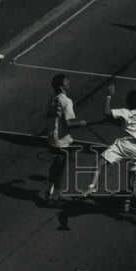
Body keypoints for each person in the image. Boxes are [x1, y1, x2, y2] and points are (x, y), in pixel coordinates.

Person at [83, 81, 136, 212]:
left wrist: (109, 96)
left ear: (128, 102)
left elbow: (107, 112)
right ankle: (127, 202)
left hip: (124, 145)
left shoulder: (124, 111)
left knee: (101, 161)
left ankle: (92, 185)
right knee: (132, 175)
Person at [44, 74, 87, 203]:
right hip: (61, 140)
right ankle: (55, 194)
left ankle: (49, 189)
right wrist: (81, 123)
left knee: (57, 163)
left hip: (52, 136)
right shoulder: (67, 102)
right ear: (61, 86)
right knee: (61, 166)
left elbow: (48, 114)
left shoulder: (53, 98)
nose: (69, 82)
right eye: (66, 81)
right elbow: (69, 124)